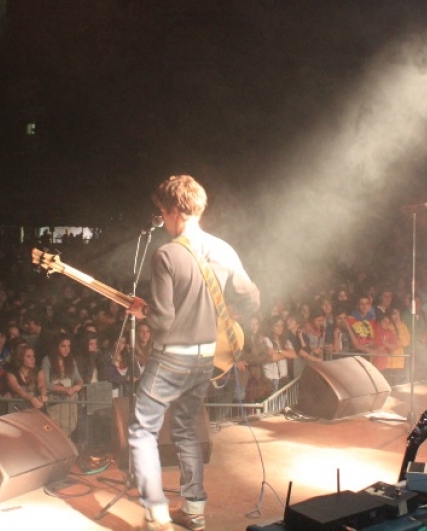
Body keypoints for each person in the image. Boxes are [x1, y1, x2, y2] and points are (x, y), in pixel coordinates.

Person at [127, 175, 260, 531]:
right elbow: (251, 297)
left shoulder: (166, 254)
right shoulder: (223, 249)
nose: (162, 218)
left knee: (143, 431)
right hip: (206, 358)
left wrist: (143, 312)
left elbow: (163, 320)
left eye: (162, 211)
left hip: (171, 357)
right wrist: (229, 315)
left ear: (173, 210)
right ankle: (194, 511)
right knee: (186, 430)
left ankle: (156, 513)